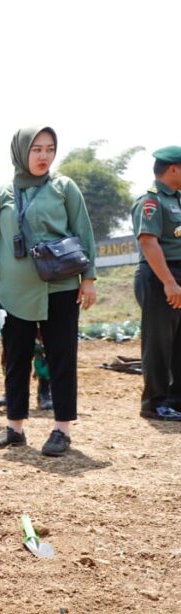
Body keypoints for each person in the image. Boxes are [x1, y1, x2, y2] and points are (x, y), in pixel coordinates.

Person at [0, 125, 97, 456]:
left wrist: (89, 277)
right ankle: (14, 428)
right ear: (21, 151)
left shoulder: (64, 188)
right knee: (16, 359)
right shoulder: (1, 194)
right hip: (15, 291)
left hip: (62, 286)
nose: (44, 156)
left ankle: (62, 429)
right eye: (37, 149)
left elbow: (84, 232)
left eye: (50, 149)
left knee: (61, 358)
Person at [132, 146, 181, 421]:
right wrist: (169, 282)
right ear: (173, 168)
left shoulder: (178, 200)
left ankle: (176, 399)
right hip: (159, 277)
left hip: (175, 275)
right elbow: (148, 242)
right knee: (159, 343)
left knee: (179, 343)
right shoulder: (151, 202)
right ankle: (154, 402)